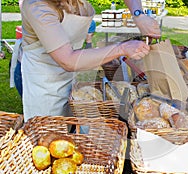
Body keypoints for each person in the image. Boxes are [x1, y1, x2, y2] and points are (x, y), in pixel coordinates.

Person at [20, 0, 161, 122]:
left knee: (70, 130)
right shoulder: (36, 6)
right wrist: (121, 49)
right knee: (48, 136)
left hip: (69, 75)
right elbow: (68, 60)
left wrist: (138, 15)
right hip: (42, 83)